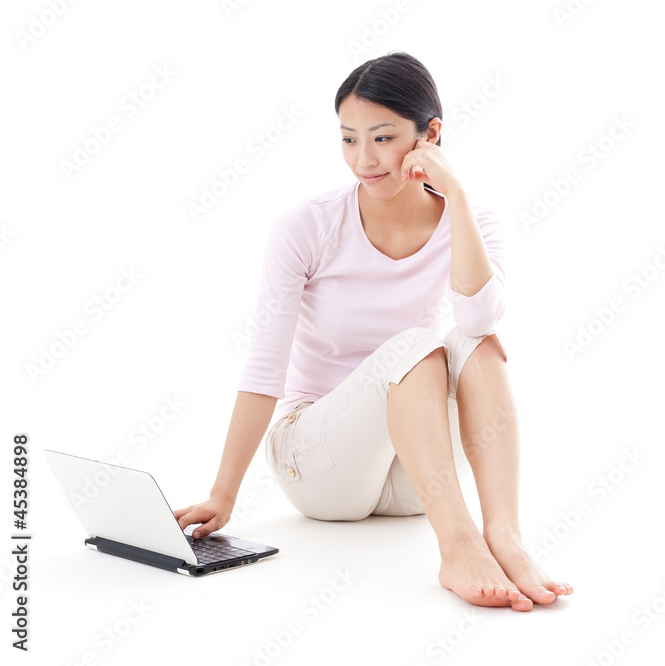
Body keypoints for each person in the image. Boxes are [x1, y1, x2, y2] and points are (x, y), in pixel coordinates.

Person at [174, 51, 573, 611]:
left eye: (383, 138)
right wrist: (223, 491)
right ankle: (458, 543)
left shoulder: (474, 221)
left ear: (429, 135)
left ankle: (504, 536)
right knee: (416, 345)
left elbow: (480, 321)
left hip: (417, 475)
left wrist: (454, 195)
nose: (363, 159)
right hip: (316, 463)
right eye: (347, 139)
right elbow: (265, 365)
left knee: (475, 341)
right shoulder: (308, 225)